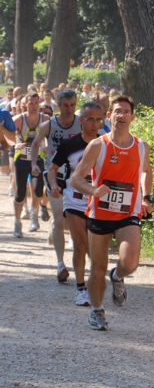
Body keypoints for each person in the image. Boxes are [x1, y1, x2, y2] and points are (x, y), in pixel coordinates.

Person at [70, 95, 153, 331]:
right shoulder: (98, 145)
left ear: (133, 117)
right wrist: (94, 190)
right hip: (99, 214)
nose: (122, 115)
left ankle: (117, 276)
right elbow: (76, 178)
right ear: (110, 116)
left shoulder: (141, 146)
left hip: (128, 214)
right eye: (117, 111)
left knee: (131, 262)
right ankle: (97, 312)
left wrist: (146, 197)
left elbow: (147, 171)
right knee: (97, 268)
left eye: (126, 112)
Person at [47, 102, 104, 306]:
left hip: (99, 201)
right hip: (74, 200)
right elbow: (52, 169)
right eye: (90, 119)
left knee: (96, 249)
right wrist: (54, 185)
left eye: (98, 120)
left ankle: (108, 278)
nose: (94, 124)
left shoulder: (106, 143)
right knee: (80, 245)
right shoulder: (69, 145)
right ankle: (81, 289)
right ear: (81, 120)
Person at [31, 89, 81, 282]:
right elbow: (35, 144)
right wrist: (34, 163)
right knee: (60, 219)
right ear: (58, 106)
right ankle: (60, 264)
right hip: (54, 175)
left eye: (73, 105)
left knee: (73, 220)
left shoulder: (81, 124)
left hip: (77, 177)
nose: (69, 109)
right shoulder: (49, 125)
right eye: (65, 105)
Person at [12, 93, 50, 237]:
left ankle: (34, 214)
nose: (33, 106)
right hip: (21, 159)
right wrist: (14, 144)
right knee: (21, 193)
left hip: (38, 159)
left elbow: (51, 136)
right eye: (30, 103)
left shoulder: (45, 119)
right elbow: (5, 134)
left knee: (38, 189)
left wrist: (47, 146)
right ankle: (17, 222)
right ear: (24, 104)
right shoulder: (18, 120)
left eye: (36, 103)